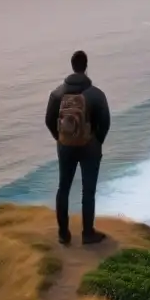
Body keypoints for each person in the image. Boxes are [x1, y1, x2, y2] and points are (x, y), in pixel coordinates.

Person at [45, 50, 111, 245]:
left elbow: (49, 120)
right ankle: (88, 234)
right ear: (86, 66)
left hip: (65, 146)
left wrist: (60, 138)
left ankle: (63, 234)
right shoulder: (97, 95)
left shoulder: (57, 93)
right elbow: (105, 122)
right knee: (88, 191)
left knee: (63, 188)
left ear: (72, 66)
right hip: (90, 147)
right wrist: (97, 140)